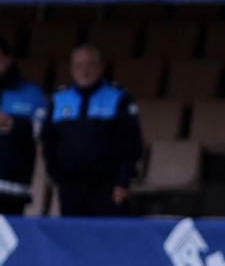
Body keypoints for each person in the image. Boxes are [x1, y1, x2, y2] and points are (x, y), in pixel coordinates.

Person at [41, 45, 142, 216]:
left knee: (107, 238)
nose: (85, 70)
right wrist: (55, 174)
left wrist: (123, 182)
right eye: (79, 65)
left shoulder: (118, 97)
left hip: (107, 187)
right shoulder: (59, 99)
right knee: (72, 238)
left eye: (90, 64)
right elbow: (48, 141)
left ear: (100, 68)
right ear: (72, 69)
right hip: (70, 187)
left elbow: (131, 144)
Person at [0, 38, 47, 215]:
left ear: (8, 59)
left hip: (13, 188)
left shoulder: (31, 94)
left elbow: (43, 130)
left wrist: (10, 123)